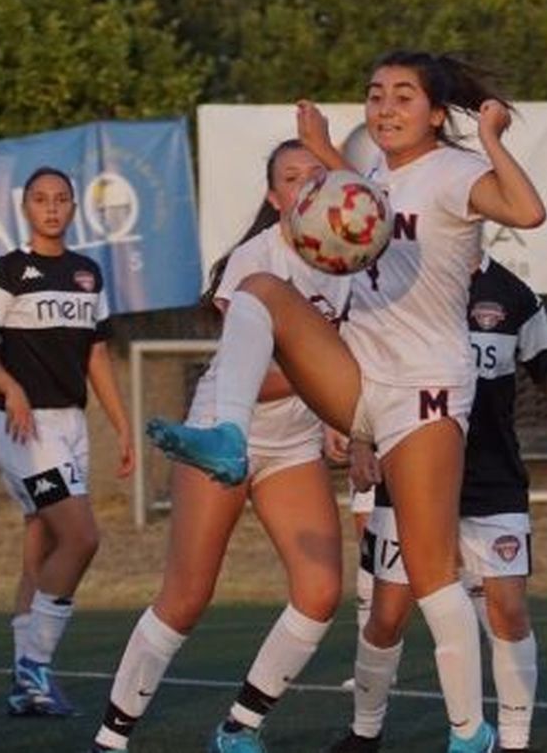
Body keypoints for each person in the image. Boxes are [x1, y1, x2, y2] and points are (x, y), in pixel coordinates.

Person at [143, 50, 547, 753]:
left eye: (403, 96)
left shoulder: (454, 172)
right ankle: (229, 436)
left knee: (430, 574)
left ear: (435, 111)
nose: (385, 107)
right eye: (375, 94)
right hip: (360, 383)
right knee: (262, 290)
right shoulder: (375, 179)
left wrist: (490, 139)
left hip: (424, 391)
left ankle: (469, 732)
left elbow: (529, 211)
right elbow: (362, 194)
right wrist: (324, 145)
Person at [91, 140, 349, 753]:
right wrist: (335, 384)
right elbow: (257, 374)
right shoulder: (255, 262)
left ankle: (240, 728)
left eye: (317, 175)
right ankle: (111, 737)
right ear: (274, 197)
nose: (306, 186)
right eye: (292, 178)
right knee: (186, 597)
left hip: (292, 444)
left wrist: (343, 416)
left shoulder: (349, 258)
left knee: (320, 594)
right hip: (230, 426)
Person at [329, 255, 547, 753]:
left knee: (510, 611)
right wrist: (359, 440)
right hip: (410, 475)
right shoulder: (401, 280)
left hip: (492, 482)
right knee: (387, 615)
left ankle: (515, 742)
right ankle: (364, 733)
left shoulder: (515, 295)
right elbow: (365, 372)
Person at [0, 167, 136, 718]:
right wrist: (10, 386)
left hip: (71, 426)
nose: (52, 207)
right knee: (81, 537)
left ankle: (26, 685)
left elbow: (96, 356)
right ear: (26, 208)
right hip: (25, 428)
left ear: (73, 208)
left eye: (61, 199)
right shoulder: (8, 270)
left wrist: (122, 424)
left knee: (41, 545)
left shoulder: (87, 274)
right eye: (41, 199)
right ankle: (34, 667)